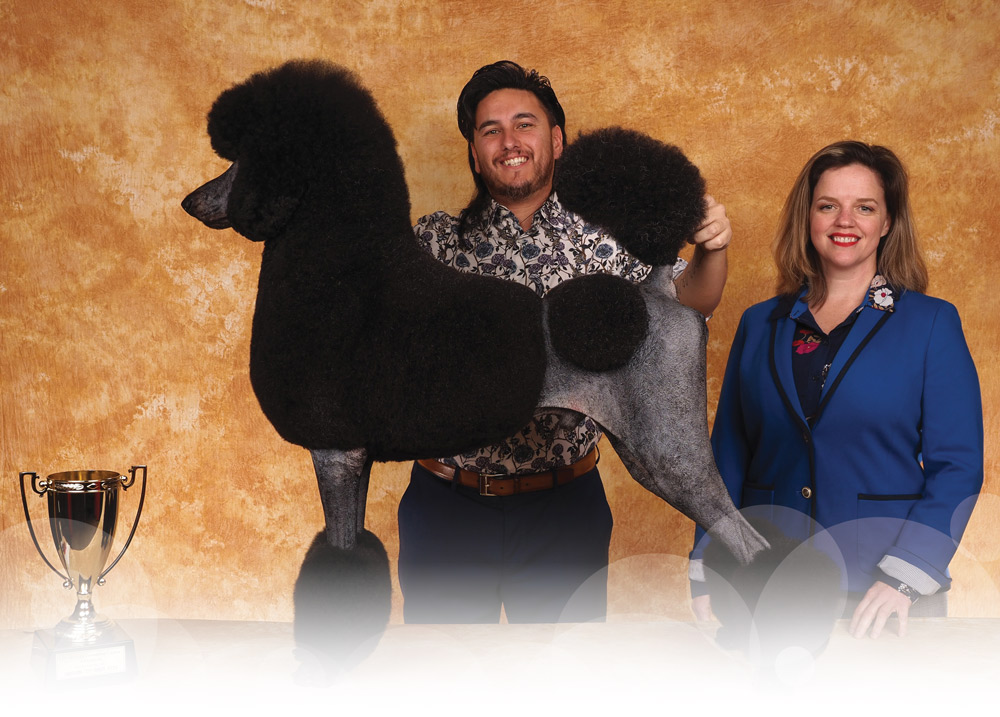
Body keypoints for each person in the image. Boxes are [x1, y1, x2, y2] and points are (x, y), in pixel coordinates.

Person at [397, 60, 733, 623]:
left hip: (564, 508)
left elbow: (692, 302)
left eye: (524, 124)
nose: (509, 141)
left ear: (555, 140)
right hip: (445, 507)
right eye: (490, 130)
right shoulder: (431, 243)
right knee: (445, 682)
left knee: (562, 685)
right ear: (475, 153)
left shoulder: (609, 237)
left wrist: (713, 247)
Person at [689, 141, 983, 639]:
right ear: (809, 217)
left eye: (864, 207)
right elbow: (727, 456)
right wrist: (707, 561)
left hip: (883, 591)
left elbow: (958, 466)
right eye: (828, 206)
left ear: (887, 222)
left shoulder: (932, 323)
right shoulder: (761, 323)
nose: (844, 221)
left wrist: (906, 576)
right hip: (769, 579)